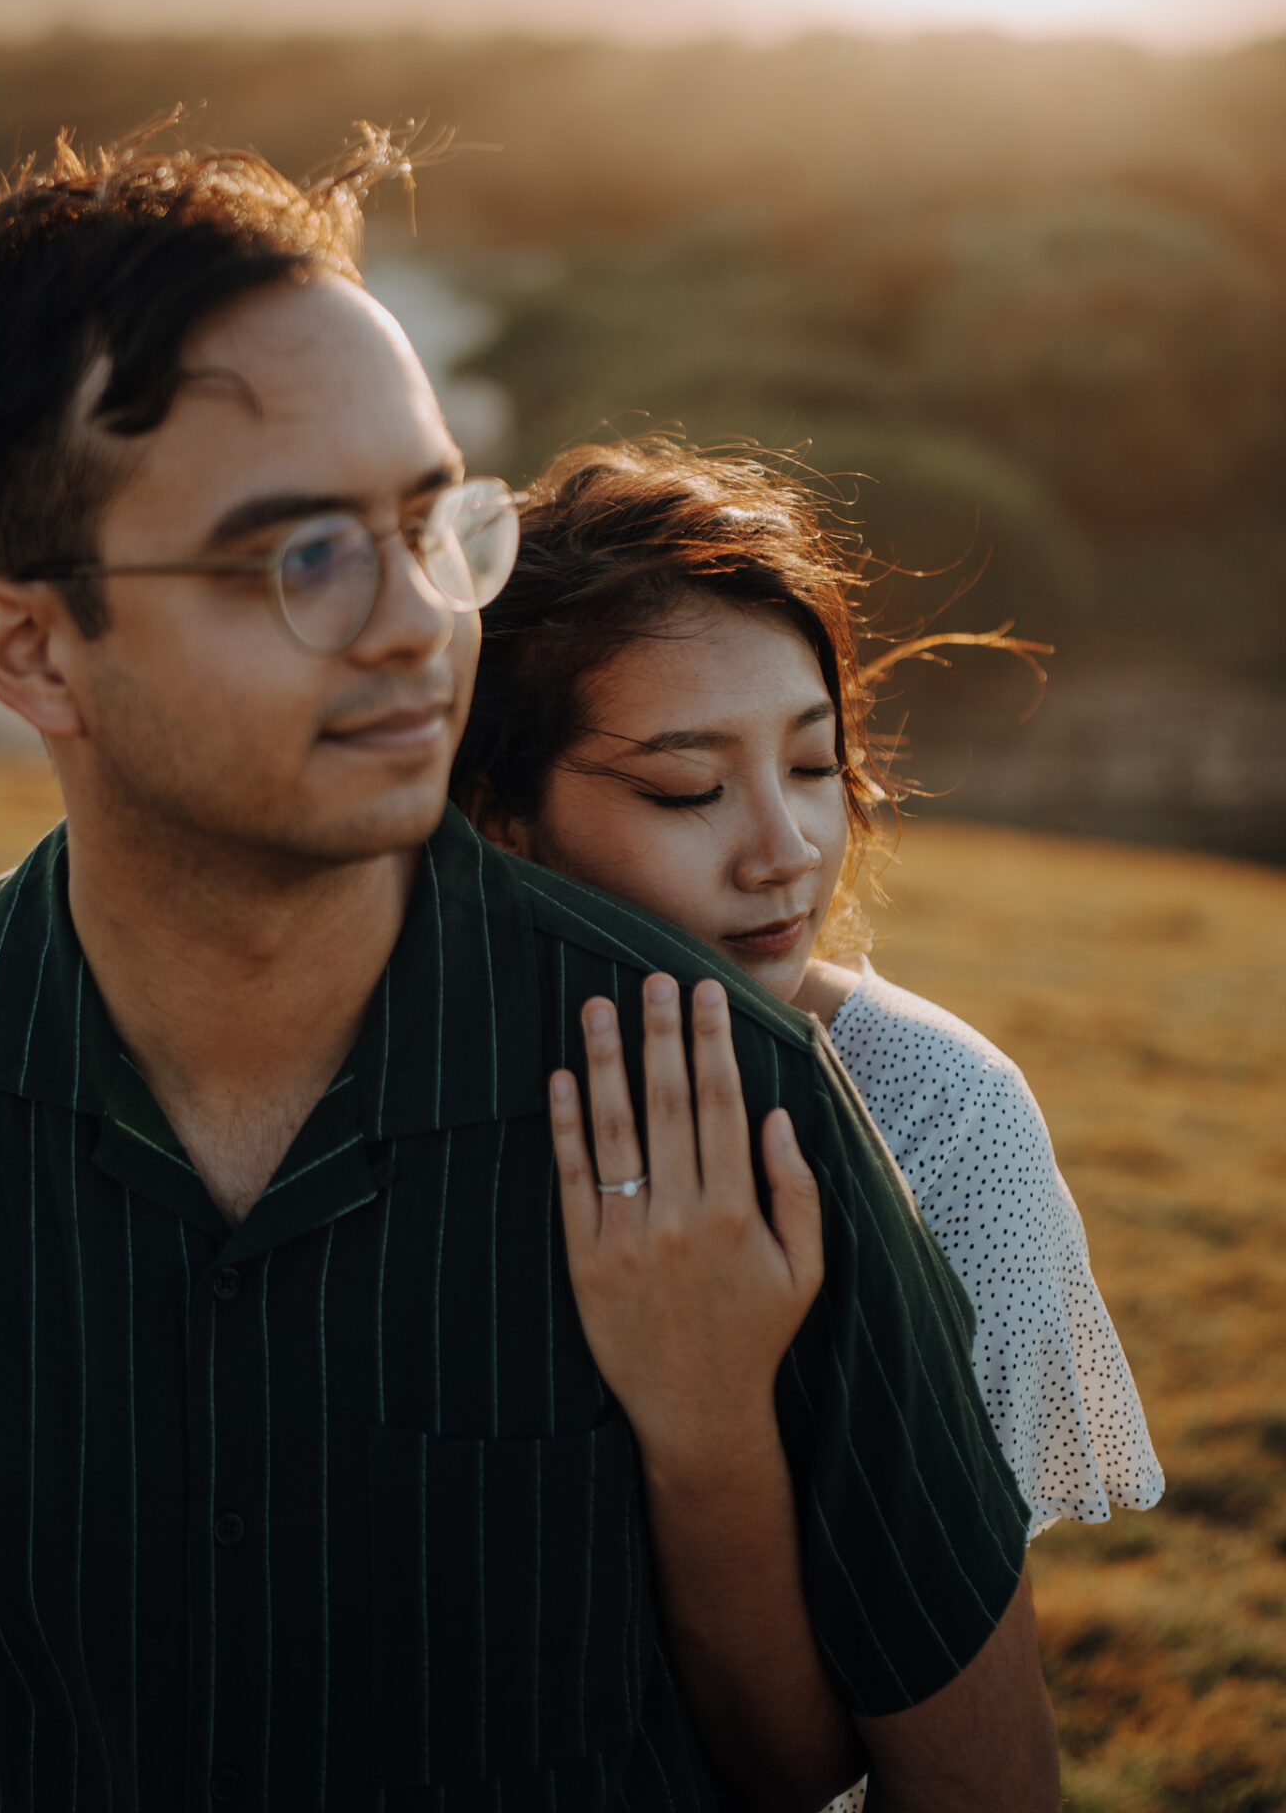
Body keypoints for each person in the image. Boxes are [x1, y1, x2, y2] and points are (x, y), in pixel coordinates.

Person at [0, 135, 1057, 1812]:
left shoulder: (732, 1100)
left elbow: (967, 1775)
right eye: (300, 557)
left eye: (427, 524)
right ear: (31, 648)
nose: (418, 621)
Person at [453, 437, 1163, 1809]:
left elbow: (951, 1750)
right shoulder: (390, 1090)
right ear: (502, 819)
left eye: (815, 765)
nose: (783, 848)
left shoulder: (941, 1121)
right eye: (686, 788)